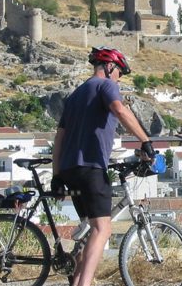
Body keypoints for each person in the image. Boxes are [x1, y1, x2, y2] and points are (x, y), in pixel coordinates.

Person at [51, 46, 156, 286]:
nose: (119, 78)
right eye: (119, 72)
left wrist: (56, 175)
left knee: (89, 230)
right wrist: (145, 140)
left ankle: (77, 280)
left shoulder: (75, 95)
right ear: (110, 67)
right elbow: (119, 109)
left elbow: (59, 138)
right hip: (90, 167)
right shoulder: (106, 86)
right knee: (103, 229)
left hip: (69, 170)